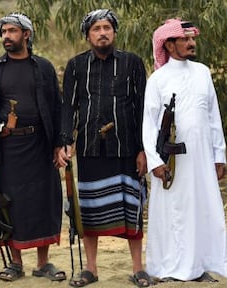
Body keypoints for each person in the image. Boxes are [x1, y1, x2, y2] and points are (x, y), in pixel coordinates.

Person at [0, 12, 66, 282]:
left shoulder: (43, 67)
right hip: (8, 147)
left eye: (12, 31)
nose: (7, 36)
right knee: (10, 203)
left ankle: (43, 262)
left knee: (43, 202)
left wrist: (60, 144)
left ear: (26, 34)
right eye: (4, 32)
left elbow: (57, 108)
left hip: (40, 144)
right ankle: (15, 262)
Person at [56, 9, 151, 287]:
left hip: (126, 146)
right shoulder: (75, 66)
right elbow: (68, 107)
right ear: (88, 35)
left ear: (114, 32)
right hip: (89, 147)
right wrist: (65, 141)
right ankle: (91, 269)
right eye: (96, 28)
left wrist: (143, 148)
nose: (102, 32)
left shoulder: (132, 63)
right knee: (89, 210)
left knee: (131, 207)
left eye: (107, 27)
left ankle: (138, 268)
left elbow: (142, 106)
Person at [142, 18, 227, 282]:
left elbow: (213, 117)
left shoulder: (202, 71)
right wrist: (155, 161)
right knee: (173, 211)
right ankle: (169, 268)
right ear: (168, 44)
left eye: (192, 39)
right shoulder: (158, 79)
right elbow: (149, 123)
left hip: (202, 158)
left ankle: (199, 266)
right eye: (185, 39)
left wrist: (219, 155)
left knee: (202, 208)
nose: (191, 43)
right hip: (172, 160)